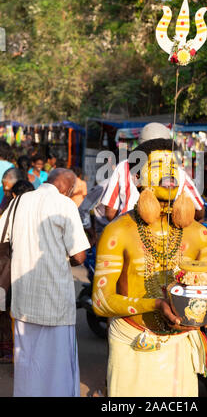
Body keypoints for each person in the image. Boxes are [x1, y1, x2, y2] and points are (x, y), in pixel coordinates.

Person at [92, 138, 207, 397]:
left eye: (174, 165)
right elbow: (99, 301)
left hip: (178, 348)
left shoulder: (199, 235)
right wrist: (154, 304)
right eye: (160, 165)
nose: (170, 171)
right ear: (138, 177)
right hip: (132, 344)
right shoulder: (118, 231)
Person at [0, 168, 90, 397]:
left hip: (23, 300)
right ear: (68, 188)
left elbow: (3, 240)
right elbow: (79, 256)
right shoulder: (65, 204)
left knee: (28, 362)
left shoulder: (18, 202)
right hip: (55, 301)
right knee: (57, 367)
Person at [102, 122, 205, 222]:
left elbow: (110, 213)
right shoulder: (177, 171)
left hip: (128, 231)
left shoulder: (124, 166)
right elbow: (199, 211)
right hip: (169, 235)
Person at [0, 179, 34, 365]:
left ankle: (10, 352)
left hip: (8, 269)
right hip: (29, 270)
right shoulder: (38, 212)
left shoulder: (7, 213)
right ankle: (17, 354)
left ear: (13, 195)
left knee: (7, 311)